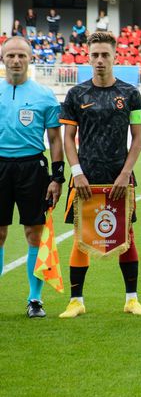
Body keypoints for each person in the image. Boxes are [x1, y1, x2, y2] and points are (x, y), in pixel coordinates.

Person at [58, 31, 141, 317]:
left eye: (105, 54)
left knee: (127, 235)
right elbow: (68, 138)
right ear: (88, 57)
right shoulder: (76, 94)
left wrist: (125, 173)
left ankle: (132, 300)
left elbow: (137, 138)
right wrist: (77, 173)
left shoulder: (130, 94)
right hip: (85, 177)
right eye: (95, 55)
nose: (100, 60)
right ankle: (76, 302)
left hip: (119, 177)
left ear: (115, 56)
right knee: (80, 236)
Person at [0, 36, 64, 317]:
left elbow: (55, 139)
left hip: (33, 168)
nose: (16, 60)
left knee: (34, 235)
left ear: (30, 59)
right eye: (11, 55)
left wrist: (57, 176)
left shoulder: (44, 95)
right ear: (3, 59)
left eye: (21, 56)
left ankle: (34, 299)